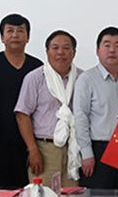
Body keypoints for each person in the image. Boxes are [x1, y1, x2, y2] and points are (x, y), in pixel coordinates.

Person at [0, 14, 43, 189]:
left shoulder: (37, 67)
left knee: (27, 192)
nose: (15, 35)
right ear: (2, 37)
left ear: (28, 37)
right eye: (10, 31)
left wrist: (33, 147)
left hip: (28, 142)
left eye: (20, 31)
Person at [15, 30, 83, 187]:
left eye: (66, 48)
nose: (60, 52)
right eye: (55, 48)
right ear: (47, 51)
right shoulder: (35, 78)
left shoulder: (83, 78)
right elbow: (22, 115)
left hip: (73, 148)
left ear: (74, 52)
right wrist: (33, 150)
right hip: (44, 149)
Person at [74, 26, 118, 189]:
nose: (112, 50)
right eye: (107, 45)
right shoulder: (86, 79)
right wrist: (86, 153)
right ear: (97, 50)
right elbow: (80, 117)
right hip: (98, 149)